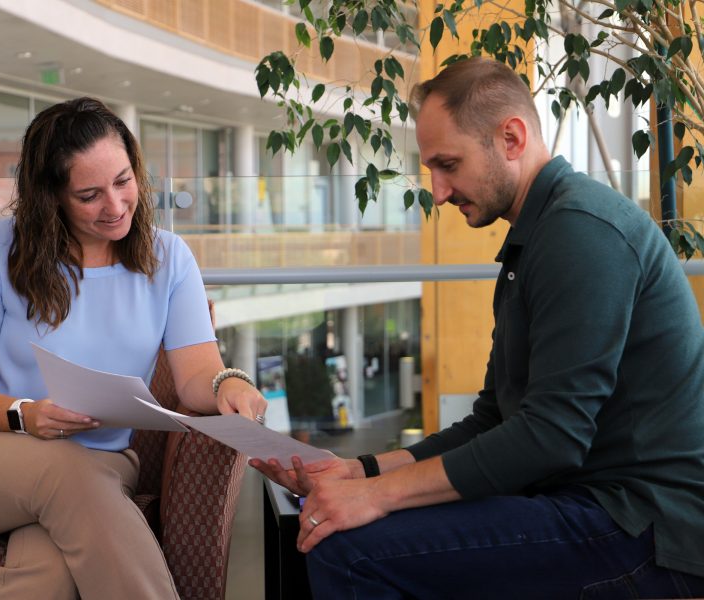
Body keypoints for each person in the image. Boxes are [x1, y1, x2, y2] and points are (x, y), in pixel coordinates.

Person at [251, 57, 704, 598]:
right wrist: (363, 472)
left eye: (448, 164)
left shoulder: (581, 234)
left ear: (510, 137)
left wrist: (379, 495)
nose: (438, 192)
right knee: (340, 525)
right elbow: (492, 419)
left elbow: (551, 437)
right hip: (585, 502)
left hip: (643, 525)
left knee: (348, 550)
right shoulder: (537, 236)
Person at [0, 97, 267, 599]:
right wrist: (26, 415)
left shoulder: (170, 259)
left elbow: (195, 374)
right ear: (51, 197)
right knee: (69, 475)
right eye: (90, 194)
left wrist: (230, 384)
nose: (115, 206)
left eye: (123, 181)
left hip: (95, 467)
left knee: (47, 575)